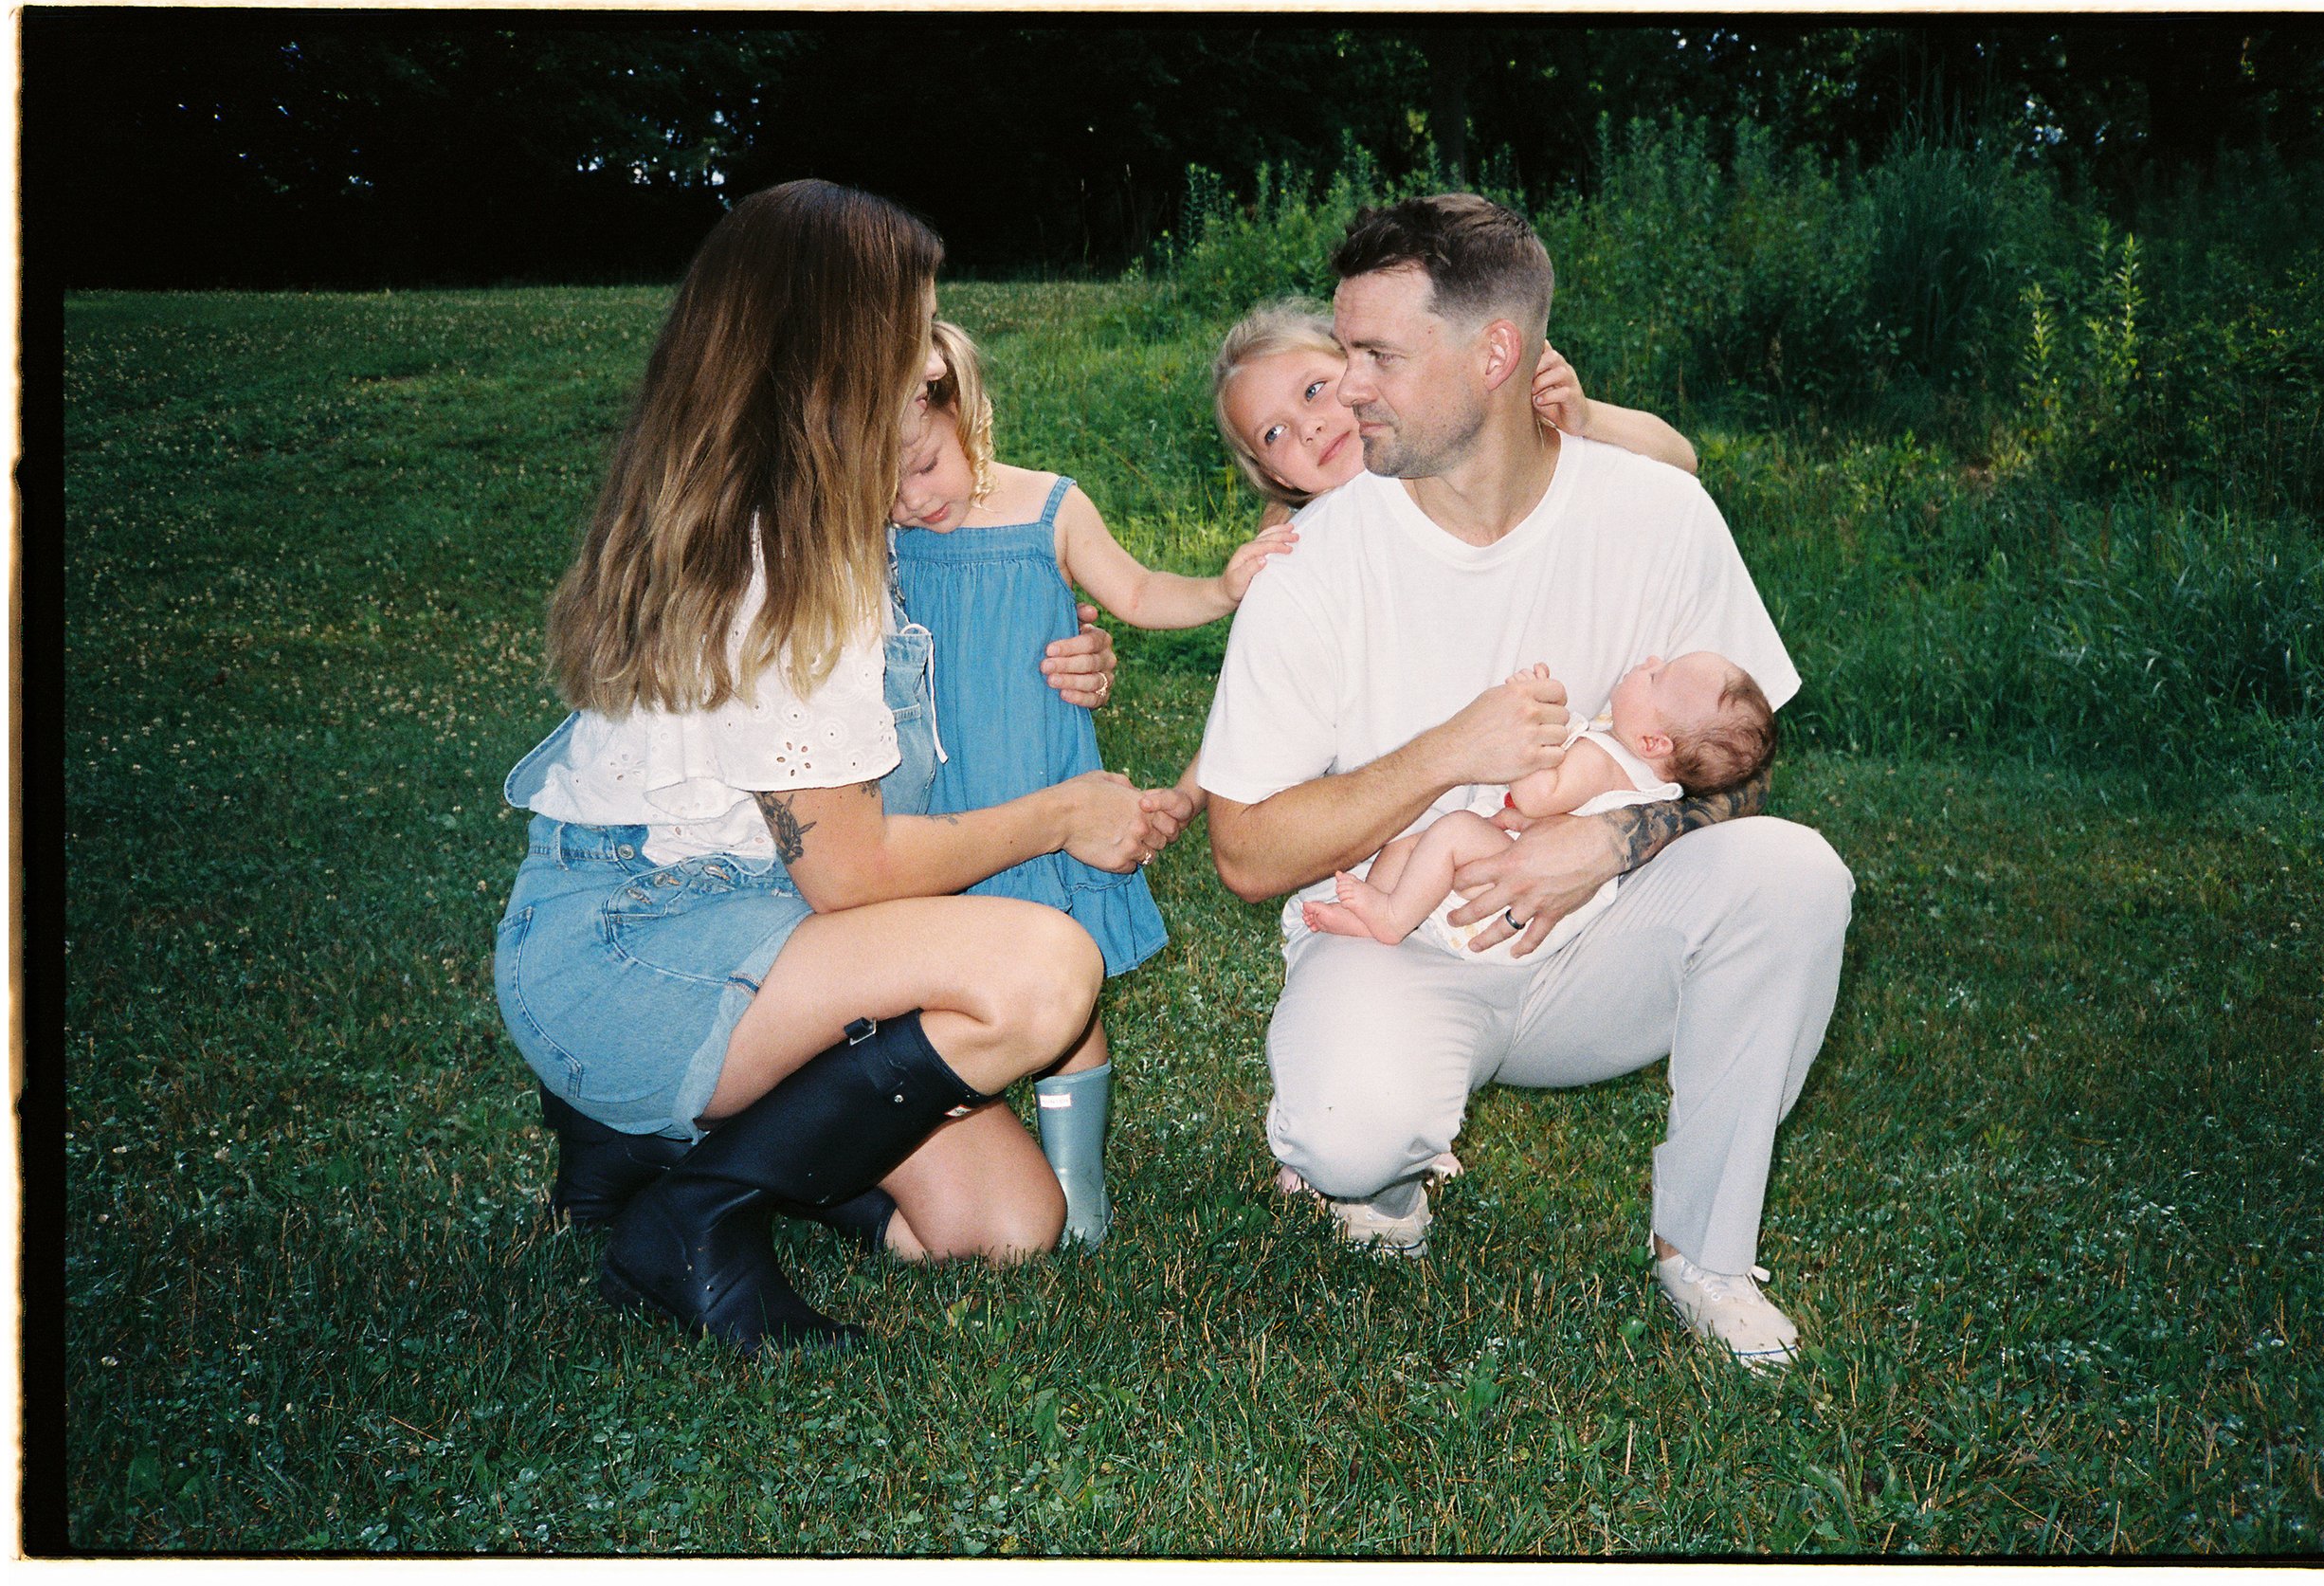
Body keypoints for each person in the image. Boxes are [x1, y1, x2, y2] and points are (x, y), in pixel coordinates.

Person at [491, 179, 1181, 1357]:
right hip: (636, 949)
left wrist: (1058, 657)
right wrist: (1064, 810)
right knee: (1042, 970)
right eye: (906, 344)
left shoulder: (803, 507)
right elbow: (854, 872)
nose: (927, 378)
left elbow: (877, 729)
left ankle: (644, 1145)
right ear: (826, 355)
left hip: (747, 926)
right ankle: (697, 1216)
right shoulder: (782, 564)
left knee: (1005, 1225)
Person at [1197, 193, 1853, 1372]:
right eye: (1342, 354)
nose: (1347, 389)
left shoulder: (1656, 515)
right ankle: (1382, 1177)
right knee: (1350, 1132)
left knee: (1793, 874)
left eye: (1377, 356)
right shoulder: (1315, 564)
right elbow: (1243, 852)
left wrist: (1604, 844)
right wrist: (1450, 750)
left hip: (1597, 944)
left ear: (1494, 352)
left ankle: (1703, 1251)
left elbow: (1742, 767)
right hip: (1395, 942)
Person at [888, 319, 1288, 1247]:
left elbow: (1141, 594)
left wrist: (1225, 587)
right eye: (885, 485)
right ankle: (957, 1142)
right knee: (946, 982)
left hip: (1042, 778)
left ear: (967, 419)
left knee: (1070, 1001)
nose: (911, 501)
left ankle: (1076, 1177)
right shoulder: (884, 535)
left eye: (924, 467)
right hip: (944, 810)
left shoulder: (1049, 509)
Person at [1302, 652, 1774, 962]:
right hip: (1521, 855)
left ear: (1654, 741)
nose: (1647, 662)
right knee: (1409, 845)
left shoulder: (1602, 760)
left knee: (1451, 832)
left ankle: (1389, 919)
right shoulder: (1637, 762)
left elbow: (1534, 797)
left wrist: (1521, 727)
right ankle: (1376, 912)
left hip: (1519, 876)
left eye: (1655, 676)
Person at [1211, 299, 1698, 528]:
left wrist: (1588, 419)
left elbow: (1681, 459)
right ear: (1272, 474)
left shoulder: (1466, 437)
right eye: (1273, 434)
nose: (1309, 428)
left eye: (1314, 389)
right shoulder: (1306, 536)